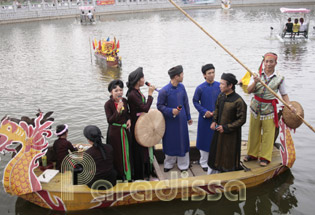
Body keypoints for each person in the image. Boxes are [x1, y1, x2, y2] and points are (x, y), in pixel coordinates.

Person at [245, 52, 295, 166]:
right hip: (255, 108)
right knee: (253, 131)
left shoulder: (279, 78)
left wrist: (289, 105)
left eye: (271, 62)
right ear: (264, 62)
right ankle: (252, 154)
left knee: (268, 133)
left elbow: (284, 94)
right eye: (266, 61)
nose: (268, 64)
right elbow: (248, 90)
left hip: (269, 110)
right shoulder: (256, 74)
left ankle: (264, 157)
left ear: (275, 63)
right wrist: (255, 81)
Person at [207, 73, 247, 174]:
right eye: (220, 83)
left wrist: (226, 128)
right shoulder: (221, 96)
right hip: (218, 131)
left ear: (230, 86)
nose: (219, 86)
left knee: (228, 155)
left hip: (231, 135)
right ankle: (215, 171)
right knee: (215, 152)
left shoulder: (238, 101)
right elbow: (216, 109)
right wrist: (214, 121)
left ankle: (227, 174)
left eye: (222, 84)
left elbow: (242, 119)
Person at [157, 65, 193, 172]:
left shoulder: (182, 87)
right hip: (169, 121)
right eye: (182, 74)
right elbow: (160, 106)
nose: (183, 76)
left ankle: (183, 165)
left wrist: (188, 117)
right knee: (170, 141)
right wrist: (171, 111)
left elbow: (186, 102)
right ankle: (168, 164)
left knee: (183, 141)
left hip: (181, 120)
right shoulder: (164, 91)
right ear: (176, 76)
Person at [126, 67, 156, 180]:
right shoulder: (132, 94)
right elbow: (145, 108)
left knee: (145, 149)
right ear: (138, 80)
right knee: (139, 151)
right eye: (142, 77)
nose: (144, 79)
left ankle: (147, 172)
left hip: (142, 124)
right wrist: (150, 94)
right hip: (137, 126)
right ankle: (140, 175)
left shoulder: (137, 92)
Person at [192, 64, 220, 172]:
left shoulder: (219, 86)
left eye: (213, 72)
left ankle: (215, 161)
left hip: (217, 118)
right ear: (204, 75)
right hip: (204, 119)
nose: (212, 75)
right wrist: (204, 112)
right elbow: (195, 101)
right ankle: (203, 162)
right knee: (204, 140)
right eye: (209, 73)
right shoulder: (200, 88)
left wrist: (217, 112)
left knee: (216, 139)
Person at [104, 80, 132, 181]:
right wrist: (118, 110)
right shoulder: (108, 104)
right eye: (116, 90)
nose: (119, 92)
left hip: (125, 131)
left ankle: (128, 173)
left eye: (121, 90)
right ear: (111, 92)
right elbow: (110, 120)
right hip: (115, 133)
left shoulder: (124, 100)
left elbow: (128, 113)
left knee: (127, 152)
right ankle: (119, 175)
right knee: (117, 154)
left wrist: (129, 119)